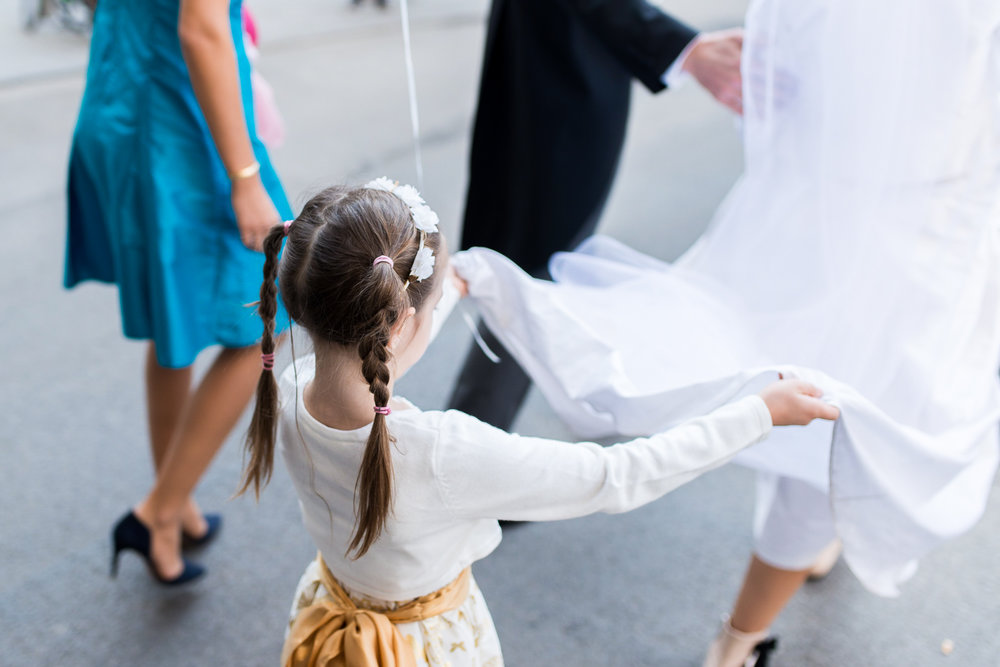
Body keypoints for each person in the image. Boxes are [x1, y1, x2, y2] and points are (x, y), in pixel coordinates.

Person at [447, 0, 1000, 664]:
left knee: (808, 378)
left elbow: (790, 58)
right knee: (849, 400)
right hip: (926, 213)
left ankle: (780, 581)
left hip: (839, 198)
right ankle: (737, 640)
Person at [237, 181, 838, 666]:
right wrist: (759, 414)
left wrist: (444, 294)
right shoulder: (442, 453)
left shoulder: (289, 386)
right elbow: (616, 475)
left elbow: (376, 341)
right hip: (421, 646)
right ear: (396, 324)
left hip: (328, 608)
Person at [65, 0, 291, 584]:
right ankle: (158, 512)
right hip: (179, 123)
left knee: (178, 320)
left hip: (130, 93)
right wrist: (244, 180)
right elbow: (202, 28)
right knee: (267, 314)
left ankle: (174, 497)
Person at [450, 0, 746, 431]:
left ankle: (463, 441)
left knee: (529, 273)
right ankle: (461, 444)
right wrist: (679, 48)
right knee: (526, 275)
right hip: (556, 72)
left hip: (569, 67)